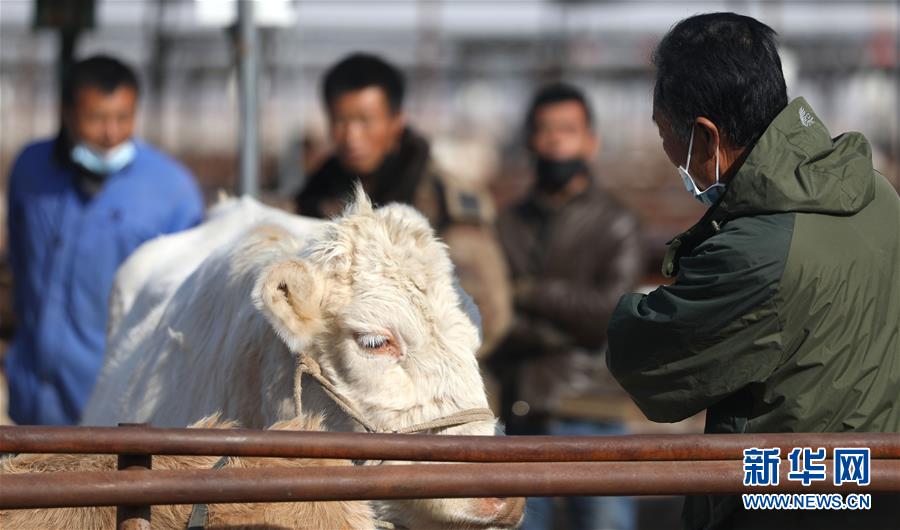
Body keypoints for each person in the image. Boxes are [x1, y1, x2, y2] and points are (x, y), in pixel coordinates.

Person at [606, 12, 899, 529]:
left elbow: (644, 361)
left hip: (784, 507)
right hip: (879, 491)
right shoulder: (876, 195)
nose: (667, 152)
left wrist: (637, 303)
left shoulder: (756, 251)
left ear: (706, 136)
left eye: (663, 133)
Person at [4, 55, 204, 425]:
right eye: (96, 118)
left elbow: (185, 303)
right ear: (66, 113)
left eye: (123, 118)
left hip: (118, 401)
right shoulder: (30, 169)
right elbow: (19, 259)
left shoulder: (172, 189)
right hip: (32, 397)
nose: (111, 133)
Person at [489, 83, 642, 530]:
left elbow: (612, 314)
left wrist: (530, 293)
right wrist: (566, 325)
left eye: (568, 130)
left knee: (604, 522)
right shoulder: (506, 224)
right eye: (545, 130)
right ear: (529, 141)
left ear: (590, 141)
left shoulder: (617, 221)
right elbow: (493, 319)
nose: (556, 140)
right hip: (523, 411)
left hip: (594, 409)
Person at [295, 53, 511, 354]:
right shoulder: (311, 200)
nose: (352, 137)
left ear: (396, 122)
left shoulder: (445, 203)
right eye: (340, 121)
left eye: (365, 121)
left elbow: (486, 312)